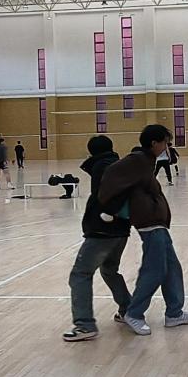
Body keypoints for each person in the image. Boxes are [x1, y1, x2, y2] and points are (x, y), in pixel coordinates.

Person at [98, 124, 188, 336]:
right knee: (154, 270)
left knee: (171, 268)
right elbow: (110, 175)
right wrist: (110, 208)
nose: (167, 147)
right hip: (149, 223)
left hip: (157, 223)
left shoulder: (147, 161)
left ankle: (174, 313)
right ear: (154, 143)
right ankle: (134, 313)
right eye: (165, 143)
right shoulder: (137, 159)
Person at [63, 135, 134, 341]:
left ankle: (85, 325)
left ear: (91, 151)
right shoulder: (118, 165)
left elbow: (108, 195)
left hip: (103, 231)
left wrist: (107, 213)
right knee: (109, 270)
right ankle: (128, 309)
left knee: (80, 274)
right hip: (121, 230)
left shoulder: (103, 167)